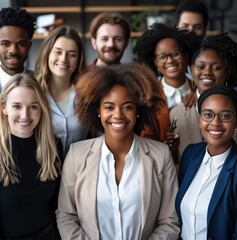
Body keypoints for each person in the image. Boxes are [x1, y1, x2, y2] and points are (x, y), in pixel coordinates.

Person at [56, 63, 180, 239]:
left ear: (138, 110)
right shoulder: (77, 154)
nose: (118, 115)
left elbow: (170, 220)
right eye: (109, 107)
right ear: (97, 110)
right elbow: (66, 215)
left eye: (127, 106)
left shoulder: (160, 155)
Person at [0, 73, 63, 239]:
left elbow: (58, 205)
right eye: (17, 106)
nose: (25, 115)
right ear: (3, 107)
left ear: (41, 109)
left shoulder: (53, 145)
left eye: (33, 106)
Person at [176, 85, 237, 239]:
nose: (215, 122)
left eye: (225, 116)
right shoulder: (190, 154)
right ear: (200, 120)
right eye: (208, 114)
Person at [169, 33, 237, 163]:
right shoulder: (176, 114)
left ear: (227, 73)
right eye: (201, 67)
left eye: (216, 67)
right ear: (192, 70)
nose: (207, 72)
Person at [35, 25, 89, 156]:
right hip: (43, 170)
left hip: (80, 171)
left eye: (72, 54)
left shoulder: (88, 94)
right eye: (58, 52)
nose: (64, 59)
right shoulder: (33, 93)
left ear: (78, 60)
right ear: (47, 54)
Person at [136, 22, 199, 110]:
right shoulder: (148, 95)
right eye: (162, 57)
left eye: (175, 54)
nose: (170, 61)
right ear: (155, 62)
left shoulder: (200, 89)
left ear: (185, 56)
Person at [0, 7, 35, 91]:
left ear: (29, 46)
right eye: (5, 44)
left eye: (21, 44)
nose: (13, 51)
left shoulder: (41, 82)